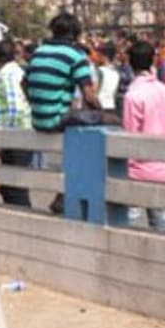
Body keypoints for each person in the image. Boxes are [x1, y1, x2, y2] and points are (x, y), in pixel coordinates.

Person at [24, 13, 105, 215]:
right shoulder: (76, 56)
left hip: (37, 119)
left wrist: (37, 104)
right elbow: (89, 96)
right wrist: (101, 114)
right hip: (56, 118)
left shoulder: (38, 52)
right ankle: (65, 195)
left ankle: (64, 194)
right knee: (110, 123)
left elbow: (24, 84)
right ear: (76, 34)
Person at [122, 41, 165, 232]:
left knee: (131, 218)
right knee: (160, 217)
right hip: (161, 164)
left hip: (137, 167)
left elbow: (131, 134)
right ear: (153, 60)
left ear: (129, 62)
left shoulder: (133, 95)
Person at [0, 39, 34, 207]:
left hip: (15, 135)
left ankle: (23, 220)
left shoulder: (7, 75)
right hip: (23, 132)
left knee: (14, 186)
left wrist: (6, 138)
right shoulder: (19, 71)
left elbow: (14, 108)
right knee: (12, 185)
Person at [96, 42, 121, 115]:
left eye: (99, 56)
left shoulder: (100, 71)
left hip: (100, 106)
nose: (97, 58)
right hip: (111, 106)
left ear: (104, 57)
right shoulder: (116, 72)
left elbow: (96, 90)